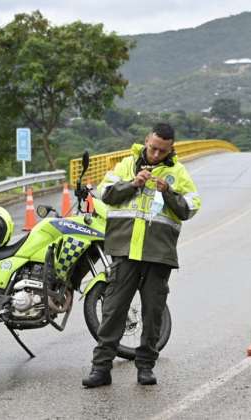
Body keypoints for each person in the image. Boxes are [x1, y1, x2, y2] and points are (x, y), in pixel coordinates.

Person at [82, 123, 201, 388]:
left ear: (172, 148)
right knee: (113, 311)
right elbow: (106, 194)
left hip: (158, 254)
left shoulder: (177, 173)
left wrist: (167, 192)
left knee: (153, 312)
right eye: (153, 148)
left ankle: (145, 367)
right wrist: (133, 184)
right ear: (146, 140)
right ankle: (101, 368)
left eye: (162, 151)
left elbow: (189, 209)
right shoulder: (126, 165)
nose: (156, 154)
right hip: (124, 250)